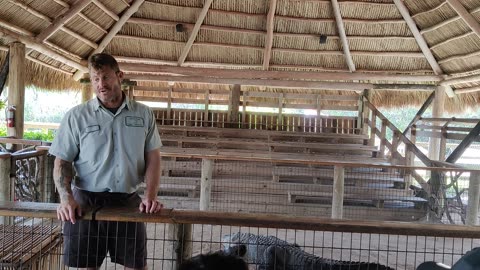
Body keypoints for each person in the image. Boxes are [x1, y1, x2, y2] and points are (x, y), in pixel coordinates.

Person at [49, 53, 163, 270]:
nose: (101, 84)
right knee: (85, 267)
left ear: (119, 76)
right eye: (95, 78)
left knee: (137, 266)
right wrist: (66, 198)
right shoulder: (77, 116)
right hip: (85, 202)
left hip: (128, 201)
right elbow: (61, 162)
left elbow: (153, 158)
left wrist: (150, 196)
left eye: (106, 77)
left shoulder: (143, 114)